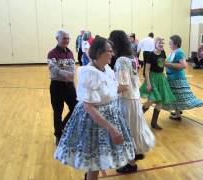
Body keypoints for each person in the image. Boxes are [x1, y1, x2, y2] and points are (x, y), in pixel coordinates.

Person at [54, 36, 135, 180]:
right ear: (98, 53)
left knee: (97, 161)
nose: (112, 54)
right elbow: (89, 107)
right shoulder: (89, 73)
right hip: (94, 121)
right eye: (109, 51)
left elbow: (108, 90)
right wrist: (112, 129)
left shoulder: (105, 69)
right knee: (95, 162)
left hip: (107, 116)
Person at [111, 30, 155, 173]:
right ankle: (134, 155)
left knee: (126, 131)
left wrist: (105, 91)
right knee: (133, 130)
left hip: (126, 101)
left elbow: (123, 85)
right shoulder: (132, 57)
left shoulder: (121, 60)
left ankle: (131, 163)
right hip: (134, 99)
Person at [163, 35, 203, 120]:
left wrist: (167, 64)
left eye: (170, 42)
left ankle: (178, 115)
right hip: (172, 78)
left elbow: (183, 65)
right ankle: (177, 113)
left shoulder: (179, 52)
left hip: (177, 79)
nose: (169, 44)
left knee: (179, 96)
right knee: (176, 96)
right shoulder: (173, 52)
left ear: (176, 43)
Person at [47, 29, 77, 145]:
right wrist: (66, 74)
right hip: (57, 87)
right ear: (57, 39)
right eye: (64, 38)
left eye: (68, 38)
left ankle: (63, 126)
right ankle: (58, 135)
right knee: (57, 112)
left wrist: (71, 76)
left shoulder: (70, 53)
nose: (67, 40)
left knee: (76, 108)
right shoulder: (52, 53)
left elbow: (72, 68)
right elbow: (53, 69)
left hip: (69, 86)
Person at [140, 37, 176, 129]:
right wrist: (148, 83)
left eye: (163, 43)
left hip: (161, 78)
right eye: (159, 43)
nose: (161, 45)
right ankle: (138, 115)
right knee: (151, 100)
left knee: (160, 101)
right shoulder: (150, 55)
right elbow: (147, 70)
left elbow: (163, 64)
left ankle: (154, 123)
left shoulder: (163, 53)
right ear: (155, 44)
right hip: (152, 78)